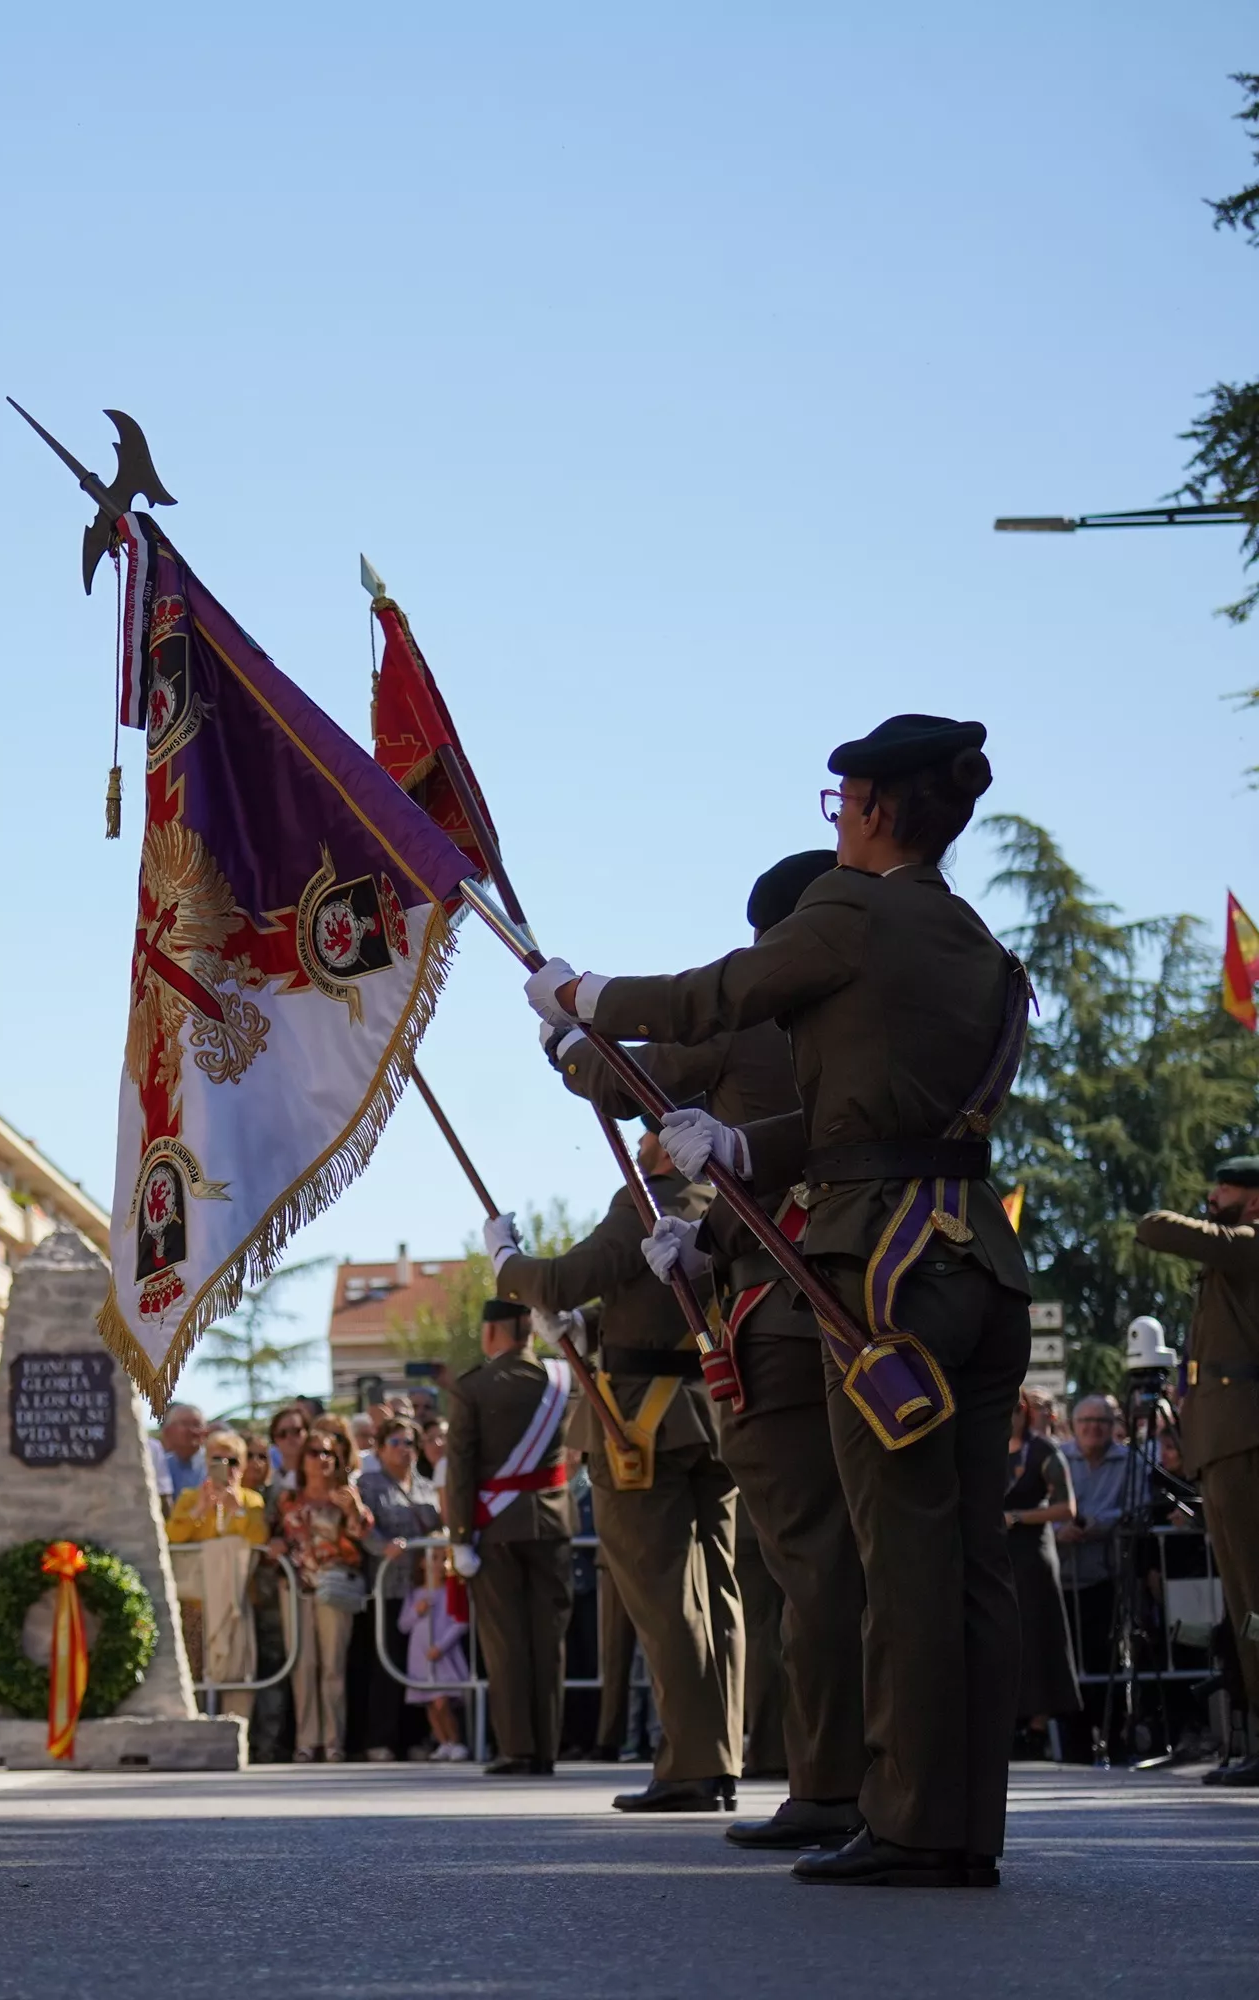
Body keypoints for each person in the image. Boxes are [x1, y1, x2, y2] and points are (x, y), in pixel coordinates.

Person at [527, 713, 1027, 1888]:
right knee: (967, 1563)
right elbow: (894, 1113)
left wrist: (586, 990)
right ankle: (961, 1819)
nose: (837, 816)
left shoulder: (852, 909)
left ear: (870, 807)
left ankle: (907, 1821)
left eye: (838, 797)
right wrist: (747, 1153)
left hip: (880, 1267)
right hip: (974, 1262)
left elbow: (722, 993)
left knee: (899, 1555)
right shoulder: (972, 939)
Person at [555, 845, 870, 1850]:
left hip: (775, 1310)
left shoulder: (759, 1008)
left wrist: (566, 1033)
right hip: (895, 1287)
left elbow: (628, 1075)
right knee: (853, 1556)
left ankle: (809, 1782)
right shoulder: (884, 1002)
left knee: (802, 1558)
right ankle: (891, 1776)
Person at [489, 1133, 742, 1813]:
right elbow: (658, 1304)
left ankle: (691, 1762)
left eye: (648, 1131)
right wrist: (586, 1327)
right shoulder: (724, 1200)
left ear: (666, 1145)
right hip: (711, 1414)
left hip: (643, 1423)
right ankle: (721, 1754)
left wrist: (507, 1260)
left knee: (663, 1597)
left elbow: (559, 1278)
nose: (637, 1139)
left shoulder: (642, 1204)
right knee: (719, 1594)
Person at [1133, 1158, 1259, 1786]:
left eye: (1226, 1189)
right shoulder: (1227, 1262)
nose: (1213, 1198)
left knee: (1255, 1595)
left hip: (1246, 1440)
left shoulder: (1250, 1246)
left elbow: (1155, 1228)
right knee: (1243, 1598)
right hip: (1225, 1441)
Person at [444, 1300, 576, 1776]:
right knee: (549, 1639)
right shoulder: (562, 1379)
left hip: (496, 1528)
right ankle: (546, 1748)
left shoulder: (473, 1387)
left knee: (506, 1642)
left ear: (492, 1333)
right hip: (554, 1522)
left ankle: (518, 1748)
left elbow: (460, 1469)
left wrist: (459, 1537)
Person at [275, 1423, 372, 1762]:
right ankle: (306, 1740)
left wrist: (352, 1509)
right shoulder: (287, 1500)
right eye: (314, 1453)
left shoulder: (346, 1495)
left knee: (333, 1666)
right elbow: (277, 1536)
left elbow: (363, 1535)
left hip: (334, 1586)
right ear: (302, 1461)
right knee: (302, 1665)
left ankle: (333, 1741)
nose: (321, 1459)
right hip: (295, 1587)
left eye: (329, 1453)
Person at [165, 1428, 271, 1721]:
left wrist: (236, 1510)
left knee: (237, 1669)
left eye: (233, 1461)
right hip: (195, 1603)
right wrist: (200, 1508)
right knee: (194, 1670)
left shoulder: (252, 1501)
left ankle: (237, 1729)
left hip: (235, 1600)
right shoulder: (188, 1497)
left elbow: (258, 1537)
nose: (226, 1468)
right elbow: (172, 1537)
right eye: (217, 1460)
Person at [356, 1417, 442, 1760]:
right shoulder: (369, 1484)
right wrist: (385, 1547)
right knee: (386, 1663)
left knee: (422, 1663)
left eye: (409, 1443)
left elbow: (439, 1528)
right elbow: (363, 1530)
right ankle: (380, 1739)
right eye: (395, 1442)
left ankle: (417, 1738)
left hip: (424, 1589)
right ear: (379, 1448)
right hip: (387, 1587)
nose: (403, 1450)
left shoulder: (428, 1487)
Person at [1004, 1386, 1081, 1752]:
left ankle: (1037, 1727)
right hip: (997, 1558)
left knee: (1037, 1638)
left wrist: (1019, 1517)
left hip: (1033, 1556)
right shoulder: (985, 1452)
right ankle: (1008, 1722)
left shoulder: (1045, 1452)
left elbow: (1068, 1509)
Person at [1055, 1392, 1131, 1748]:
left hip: (1105, 1576)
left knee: (1105, 1657)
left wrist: (1099, 1525)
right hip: (1063, 1578)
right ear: (1074, 1426)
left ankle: (1115, 1736)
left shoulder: (1128, 1461)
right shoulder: (1059, 1458)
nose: (1093, 1429)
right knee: (1067, 1663)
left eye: (1101, 1422)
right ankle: (1075, 1742)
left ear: (1112, 1426)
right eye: (1086, 1422)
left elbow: (1136, 1507)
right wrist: (1060, 1532)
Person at [403, 1551, 475, 1760]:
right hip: (420, 1657)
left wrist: (442, 1646)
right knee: (430, 1702)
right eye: (434, 1558)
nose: (440, 1564)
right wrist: (417, 1611)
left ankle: (456, 1741)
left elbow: (460, 1622)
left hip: (443, 1654)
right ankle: (443, 1742)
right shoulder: (415, 1593)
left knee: (442, 1700)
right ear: (422, 1562)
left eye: (444, 1559)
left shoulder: (451, 1591)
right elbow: (403, 1625)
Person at [150, 1404, 208, 1502]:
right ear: (168, 1431)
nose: (192, 1430)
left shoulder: (213, 1464)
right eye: (185, 1424)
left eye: (197, 1425)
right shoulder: (161, 1465)